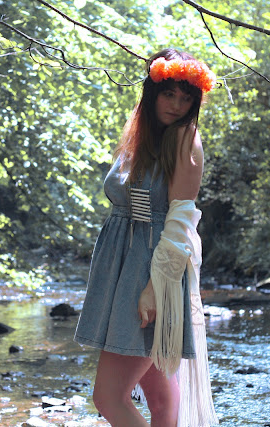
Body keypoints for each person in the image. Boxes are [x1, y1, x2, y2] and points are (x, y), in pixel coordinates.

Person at [74, 48, 218, 427]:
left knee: (108, 397)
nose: (177, 104)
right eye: (169, 93)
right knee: (158, 393)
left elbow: (181, 219)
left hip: (151, 268)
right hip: (123, 266)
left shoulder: (185, 139)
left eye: (186, 97)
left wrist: (156, 287)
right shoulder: (142, 134)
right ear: (152, 91)